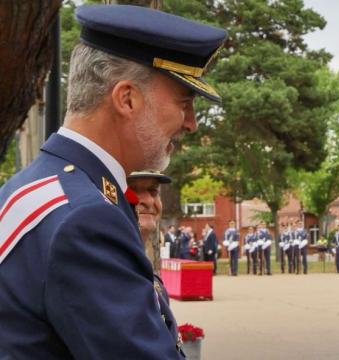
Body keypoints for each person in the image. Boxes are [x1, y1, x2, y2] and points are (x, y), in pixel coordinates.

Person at [0, 4, 227, 358]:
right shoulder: (86, 218)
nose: (191, 123)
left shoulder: (33, 187)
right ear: (127, 99)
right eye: (184, 103)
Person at [126, 170, 181, 353]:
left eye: (153, 191)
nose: (148, 201)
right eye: (132, 189)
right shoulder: (109, 266)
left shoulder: (144, 267)